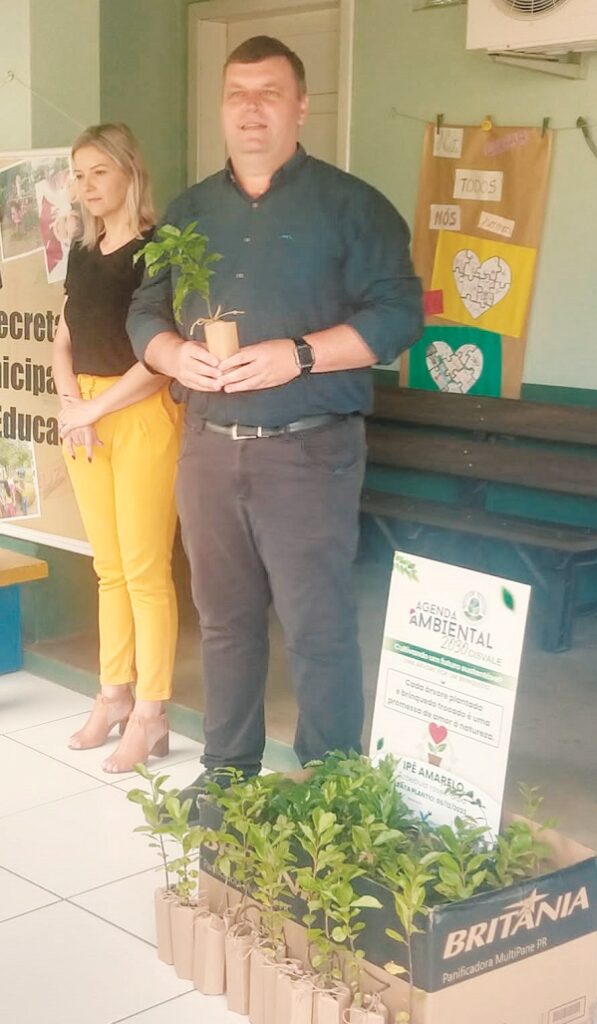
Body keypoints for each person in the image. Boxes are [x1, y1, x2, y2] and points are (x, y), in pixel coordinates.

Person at [127, 36, 423, 810]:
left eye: (269, 93)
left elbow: (397, 317)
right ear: (222, 107)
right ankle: (228, 771)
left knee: (316, 625)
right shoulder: (189, 212)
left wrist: (298, 355)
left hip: (308, 453)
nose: (251, 108)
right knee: (224, 621)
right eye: (237, 93)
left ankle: (332, 785)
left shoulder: (353, 206)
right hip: (208, 450)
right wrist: (171, 354)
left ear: (300, 106)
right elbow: (145, 310)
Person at [52, 123, 180, 774]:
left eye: (99, 171)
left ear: (130, 172)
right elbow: (63, 339)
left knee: (145, 570)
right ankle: (113, 695)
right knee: (109, 568)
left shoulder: (158, 252)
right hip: (87, 418)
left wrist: (94, 409)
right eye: (79, 175)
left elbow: (159, 360)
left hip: (140, 413)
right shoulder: (82, 253)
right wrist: (71, 404)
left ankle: (152, 713)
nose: (87, 186)